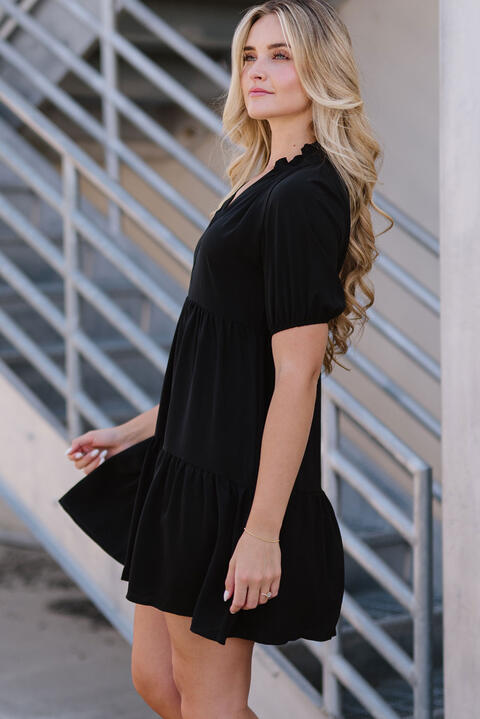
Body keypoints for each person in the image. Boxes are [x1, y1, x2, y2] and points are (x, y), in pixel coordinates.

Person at [60, 1, 391, 717]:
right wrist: (135, 430)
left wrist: (262, 530)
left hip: (229, 483)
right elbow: (221, 357)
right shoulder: (261, 177)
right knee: (158, 682)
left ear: (320, 69)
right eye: (248, 55)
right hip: (183, 459)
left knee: (208, 702)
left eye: (280, 55)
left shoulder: (303, 195)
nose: (257, 71)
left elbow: (296, 374)